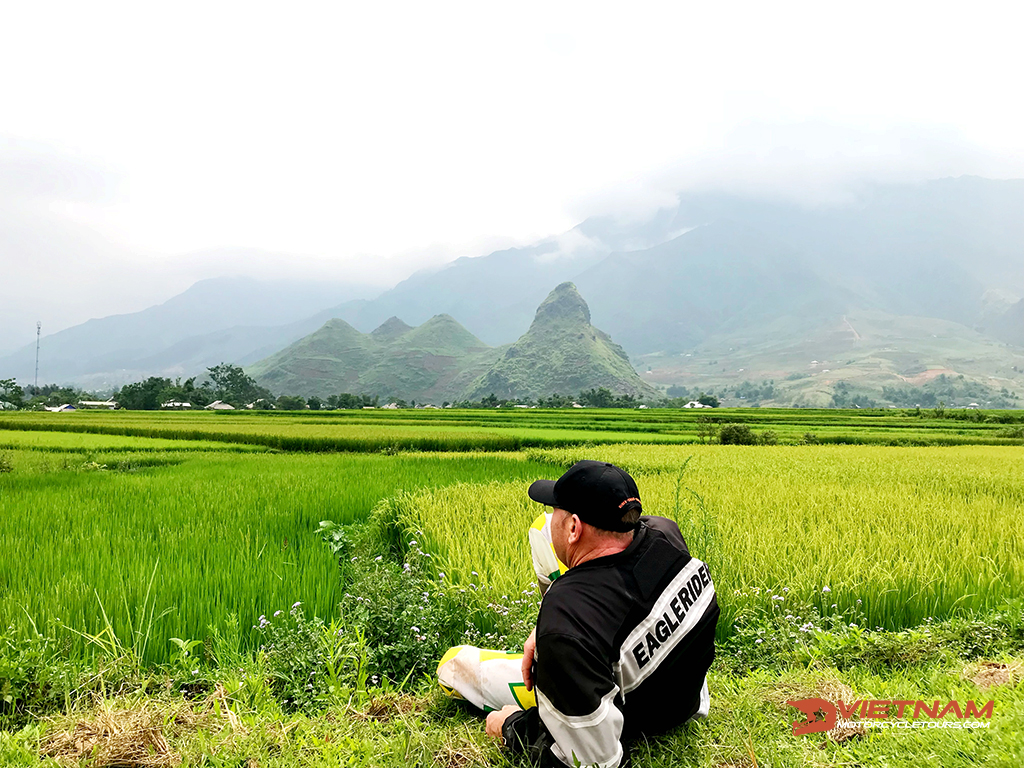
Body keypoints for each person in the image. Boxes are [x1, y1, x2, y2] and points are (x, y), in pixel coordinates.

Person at [437, 460, 719, 768]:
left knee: (452, 666)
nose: (551, 516)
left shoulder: (569, 619)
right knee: (544, 535)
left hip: (630, 714)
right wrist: (547, 625)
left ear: (573, 527)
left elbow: (593, 761)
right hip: (683, 695)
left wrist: (511, 726)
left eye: (556, 510)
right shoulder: (665, 532)